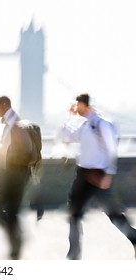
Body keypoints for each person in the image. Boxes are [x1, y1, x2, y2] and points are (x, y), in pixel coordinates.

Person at [60, 93, 136, 259]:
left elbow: (111, 149)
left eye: (78, 105)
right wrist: (69, 116)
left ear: (86, 105)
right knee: (74, 213)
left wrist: (108, 175)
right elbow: (65, 137)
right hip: (82, 175)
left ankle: (135, 239)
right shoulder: (84, 125)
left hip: (98, 175)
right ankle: (74, 253)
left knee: (114, 215)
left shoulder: (103, 124)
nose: (76, 108)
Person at [0, 96, 33, 259]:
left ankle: (16, 247)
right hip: (8, 174)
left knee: (9, 211)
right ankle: (18, 239)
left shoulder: (16, 123)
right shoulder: (10, 123)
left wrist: (14, 169)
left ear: (4, 105)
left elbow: (25, 150)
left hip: (15, 175)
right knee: (3, 212)